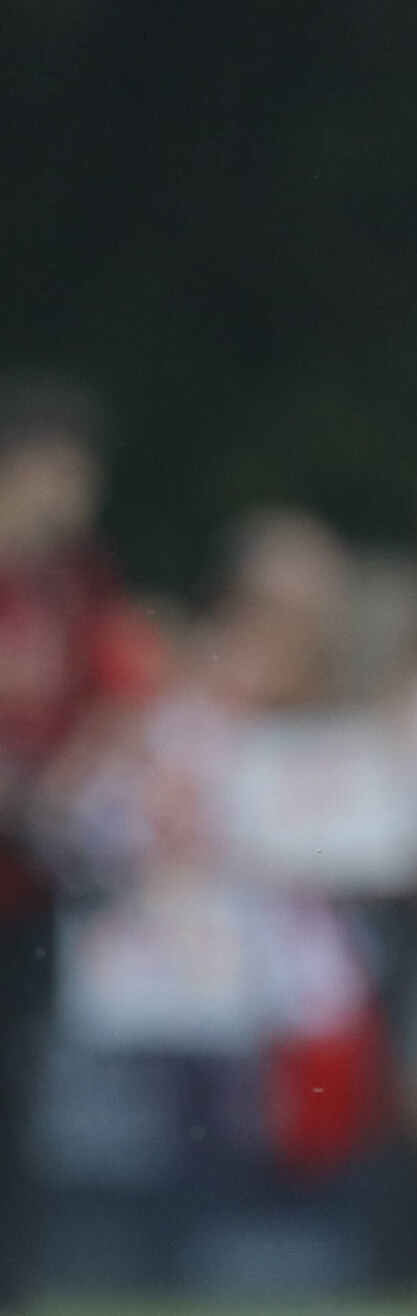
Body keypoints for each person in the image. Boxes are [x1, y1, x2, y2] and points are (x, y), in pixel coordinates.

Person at [0, 379, 158, 1300]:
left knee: (18, 1088)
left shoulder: (73, 582)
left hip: (29, 878)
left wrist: (68, 780)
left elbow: (121, 687)